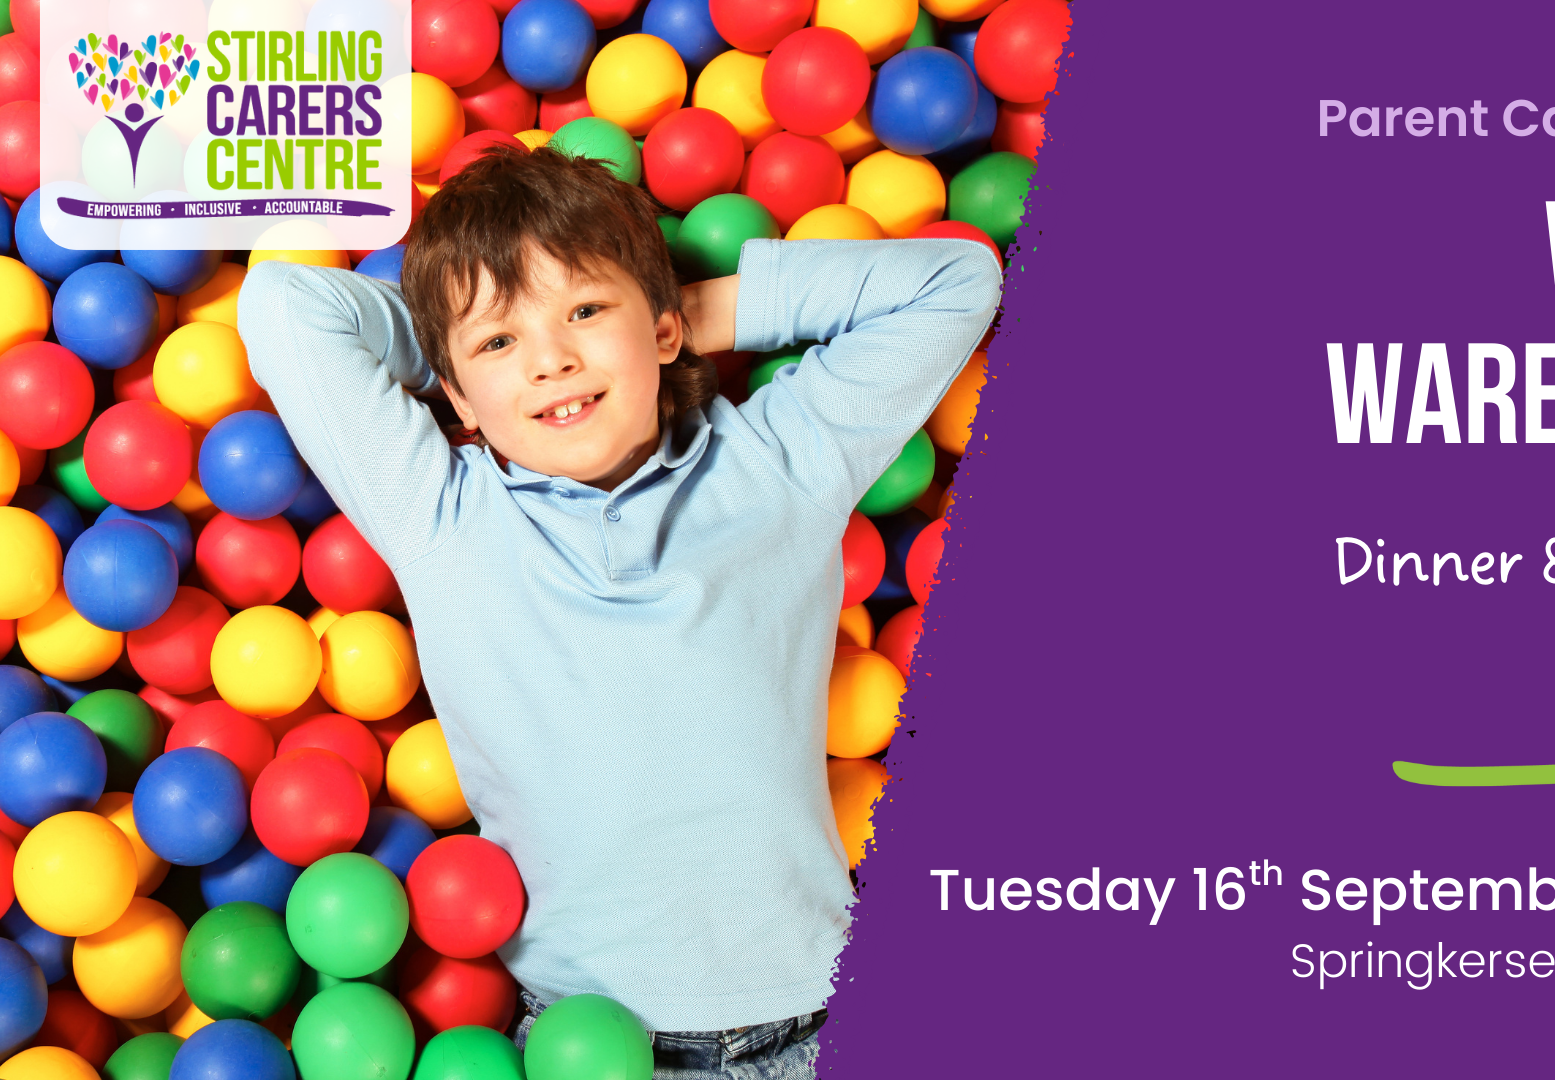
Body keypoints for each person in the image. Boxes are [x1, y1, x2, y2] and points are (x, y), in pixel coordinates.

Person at [236, 146, 1002, 1077]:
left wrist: (680, 307)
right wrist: (462, 330)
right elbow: (282, 304)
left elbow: (959, 280)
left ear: (667, 330)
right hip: (590, 1049)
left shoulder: (778, 464)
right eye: (499, 343)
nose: (552, 360)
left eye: (586, 312)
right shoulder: (443, 518)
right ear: (457, 395)